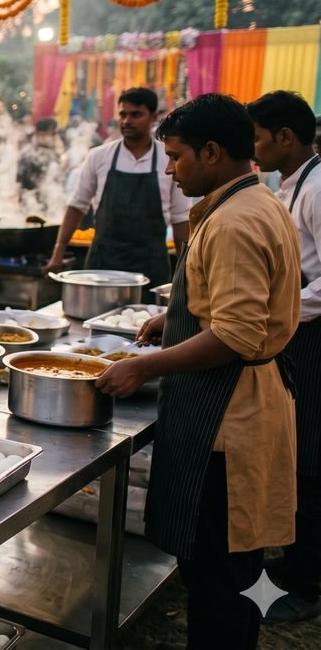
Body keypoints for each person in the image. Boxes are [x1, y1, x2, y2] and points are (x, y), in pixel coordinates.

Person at [97, 93, 300, 650]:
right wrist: (178, 315)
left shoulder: (235, 221)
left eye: (178, 156)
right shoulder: (252, 203)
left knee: (220, 576)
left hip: (229, 421)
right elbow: (233, 306)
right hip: (237, 405)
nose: (168, 168)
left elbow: (235, 335)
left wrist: (144, 369)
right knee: (220, 571)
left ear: (212, 152)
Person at [248, 90, 321, 623]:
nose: (252, 149)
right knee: (298, 458)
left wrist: (283, 308)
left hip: (314, 337)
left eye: (257, 138)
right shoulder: (291, 186)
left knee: (313, 463)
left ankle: (304, 583)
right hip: (296, 333)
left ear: (286, 138)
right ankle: (292, 560)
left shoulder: (319, 189)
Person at [47, 88, 190, 286]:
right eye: (123, 114)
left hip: (151, 264)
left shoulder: (169, 158)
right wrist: (58, 251)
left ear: (154, 117)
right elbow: (77, 206)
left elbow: (181, 219)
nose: (127, 121)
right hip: (103, 263)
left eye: (136, 115)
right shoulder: (99, 156)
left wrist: (186, 271)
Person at [16, 117, 60, 192]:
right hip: (32, 198)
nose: (54, 137)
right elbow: (24, 182)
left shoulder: (54, 153)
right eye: (51, 134)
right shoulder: (29, 154)